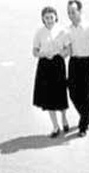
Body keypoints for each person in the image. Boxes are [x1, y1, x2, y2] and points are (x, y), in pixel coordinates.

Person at [32, 5, 72, 137]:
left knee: (60, 94)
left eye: (51, 17)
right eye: (46, 18)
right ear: (43, 19)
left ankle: (64, 118)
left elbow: (68, 50)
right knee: (48, 98)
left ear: (56, 17)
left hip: (58, 64)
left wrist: (61, 53)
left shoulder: (62, 31)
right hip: (44, 65)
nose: (49, 20)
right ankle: (55, 127)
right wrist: (43, 54)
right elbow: (35, 51)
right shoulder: (39, 32)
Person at [65, 0, 89, 137]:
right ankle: (88, 113)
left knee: (87, 96)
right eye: (69, 12)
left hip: (87, 63)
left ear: (80, 11)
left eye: (73, 12)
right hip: (74, 63)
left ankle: (83, 127)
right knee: (73, 94)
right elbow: (66, 50)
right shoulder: (67, 30)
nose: (71, 15)